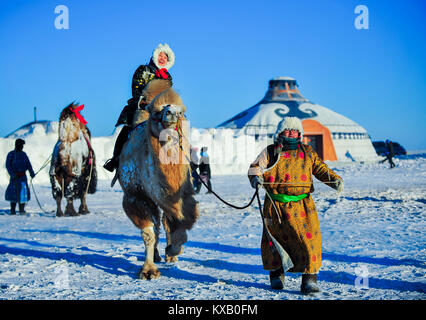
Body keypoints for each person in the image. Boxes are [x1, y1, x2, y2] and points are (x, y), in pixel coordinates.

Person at [248, 117, 344, 294]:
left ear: (299, 133)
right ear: (280, 133)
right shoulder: (271, 152)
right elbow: (255, 167)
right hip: (276, 206)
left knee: (309, 242)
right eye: (287, 130)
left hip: (302, 206)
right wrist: (256, 178)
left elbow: (320, 168)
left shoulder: (307, 151)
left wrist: (334, 180)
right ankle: (277, 274)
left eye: (294, 130)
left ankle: (309, 279)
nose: (291, 133)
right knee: (275, 241)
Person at [103, 43, 175, 172]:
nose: (163, 58)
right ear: (155, 56)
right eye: (161, 55)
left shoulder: (168, 77)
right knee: (130, 129)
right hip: (144, 107)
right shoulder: (143, 70)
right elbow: (136, 88)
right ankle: (116, 159)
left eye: (165, 57)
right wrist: (141, 102)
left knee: (176, 127)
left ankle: (177, 159)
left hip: (162, 109)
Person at [5, 139, 35, 215]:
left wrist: (31, 173)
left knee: (23, 194)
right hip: (14, 178)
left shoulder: (24, 154)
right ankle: (13, 210)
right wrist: (12, 174)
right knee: (14, 194)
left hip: (23, 178)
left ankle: (21, 210)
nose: (22, 147)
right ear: (17, 145)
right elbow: (8, 166)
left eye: (22, 146)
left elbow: (28, 164)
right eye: (21, 145)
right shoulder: (11, 154)